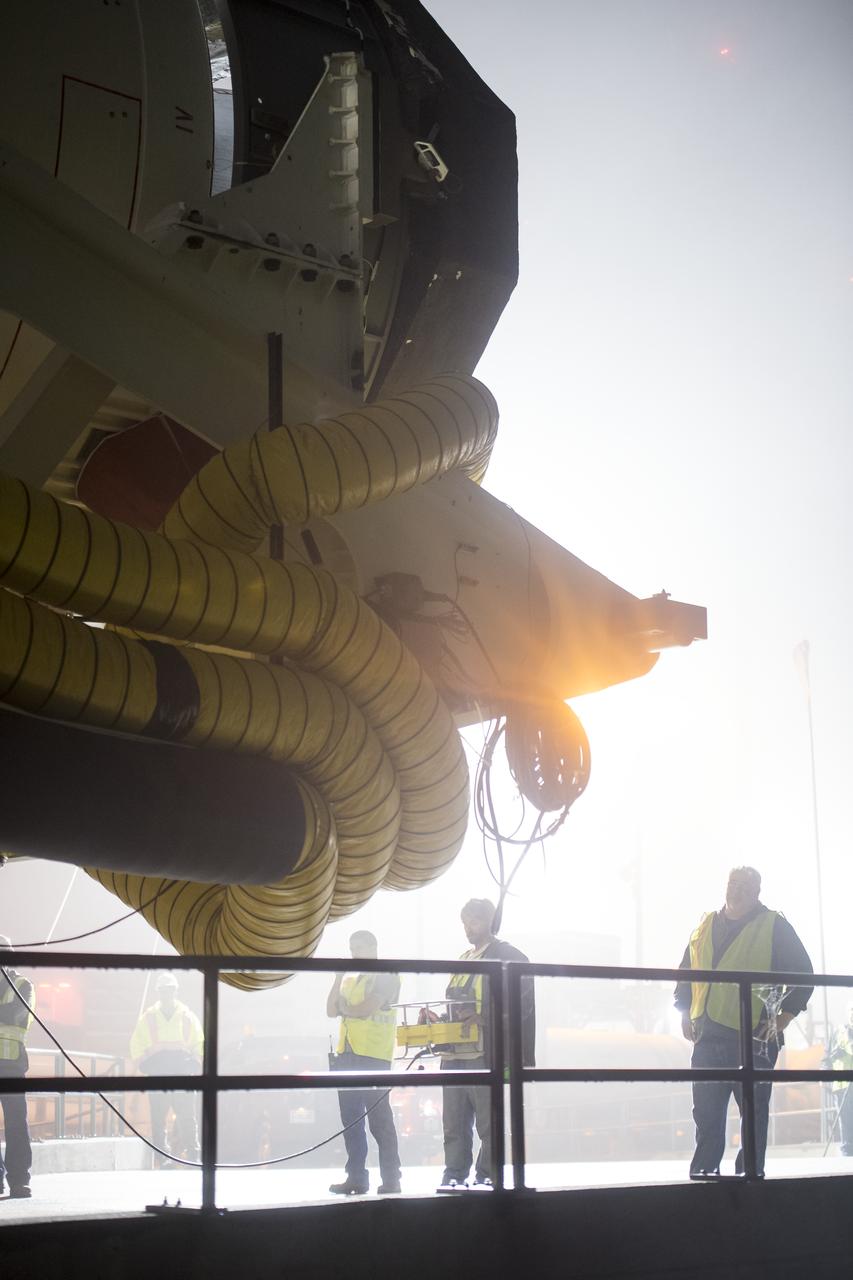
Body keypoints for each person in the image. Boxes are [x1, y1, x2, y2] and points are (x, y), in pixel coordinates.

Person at [674, 867, 813, 1178]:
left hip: (755, 1037)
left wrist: (785, 1016)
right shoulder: (706, 924)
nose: (736, 890)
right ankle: (704, 1173)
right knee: (707, 1114)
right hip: (707, 1036)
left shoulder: (774, 925)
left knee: (753, 1112)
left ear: (757, 892)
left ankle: (749, 1177)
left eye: (745, 886)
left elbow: (805, 974)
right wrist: (684, 1010)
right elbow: (687, 969)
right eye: (732, 883)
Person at [439, 898, 535, 1191]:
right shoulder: (463, 959)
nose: (469, 928)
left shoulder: (509, 956)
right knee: (453, 1121)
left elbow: (522, 1001)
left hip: (483, 1053)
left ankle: (488, 1171)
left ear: (490, 922)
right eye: (465, 922)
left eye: (475, 921)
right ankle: (454, 1172)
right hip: (454, 1051)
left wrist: (486, 1017)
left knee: (487, 1121)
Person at [327, 931, 402, 1196]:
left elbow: (365, 1009)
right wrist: (337, 978)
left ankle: (391, 1178)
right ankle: (356, 1178)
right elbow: (330, 1009)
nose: (354, 953)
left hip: (373, 1056)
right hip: (347, 1054)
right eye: (351, 948)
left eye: (359, 948)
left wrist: (346, 1009)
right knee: (351, 1120)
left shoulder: (385, 974)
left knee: (379, 1120)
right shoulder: (351, 978)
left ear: (373, 946)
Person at [130, 972, 204, 1167]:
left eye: (169, 990)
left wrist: (194, 1064)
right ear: (159, 992)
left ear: (175, 991)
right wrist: (147, 1063)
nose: (167, 994)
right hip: (159, 1073)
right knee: (158, 1119)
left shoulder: (188, 1017)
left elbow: (199, 1044)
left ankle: (193, 1155)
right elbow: (136, 1047)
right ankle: (163, 1157)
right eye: (164, 990)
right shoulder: (148, 1018)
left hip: (182, 1073)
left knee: (187, 1118)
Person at [0, 935, 34, 1199]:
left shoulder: (22, 985)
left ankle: (19, 1180)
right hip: (11, 1065)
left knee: (15, 1125)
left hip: (11, 1066)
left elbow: (17, 1015)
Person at [827, 1004, 853, 1156]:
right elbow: (827, 1055)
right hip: (842, 1084)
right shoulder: (838, 1031)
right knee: (845, 1119)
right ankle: (847, 1150)